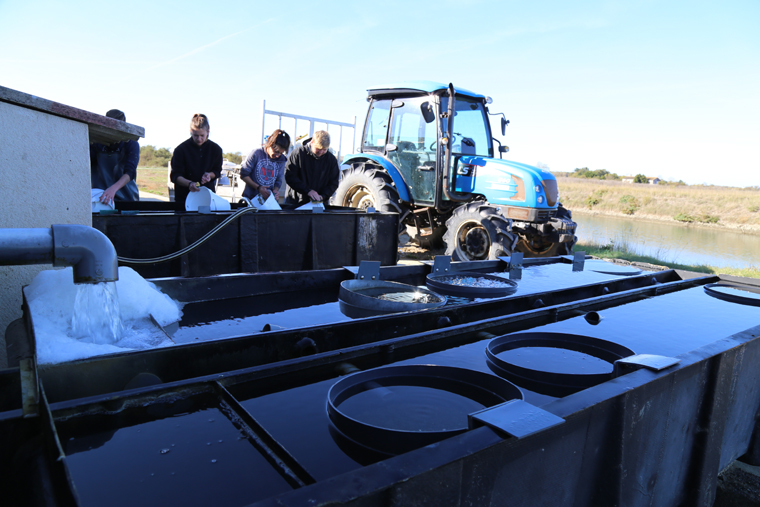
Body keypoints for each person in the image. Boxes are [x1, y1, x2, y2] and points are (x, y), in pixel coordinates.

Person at [169, 113, 223, 210]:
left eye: (202, 135)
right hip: (184, 199)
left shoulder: (216, 149)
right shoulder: (180, 150)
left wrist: (209, 175)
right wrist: (190, 184)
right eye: (195, 135)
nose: (199, 139)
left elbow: (217, 171)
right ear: (190, 132)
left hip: (207, 199)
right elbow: (175, 176)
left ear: (208, 131)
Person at [90, 109, 140, 204]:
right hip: (101, 197)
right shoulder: (96, 143)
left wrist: (113, 189)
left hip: (127, 197)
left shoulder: (131, 143)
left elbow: (130, 172)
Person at [284, 130, 340, 207]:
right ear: (312, 142)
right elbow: (290, 176)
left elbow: (333, 183)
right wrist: (307, 191)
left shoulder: (331, 160)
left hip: (319, 205)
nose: (320, 152)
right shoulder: (297, 154)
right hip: (295, 203)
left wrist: (323, 196)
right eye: (318, 149)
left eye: (324, 150)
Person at [240, 129, 291, 202]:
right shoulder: (256, 153)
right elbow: (243, 174)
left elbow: (278, 181)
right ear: (270, 144)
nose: (277, 155)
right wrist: (258, 188)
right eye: (276, 152)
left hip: (268, 201)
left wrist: (275, 191)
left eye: (280, 153)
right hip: (250, 199)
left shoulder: (282, 159)